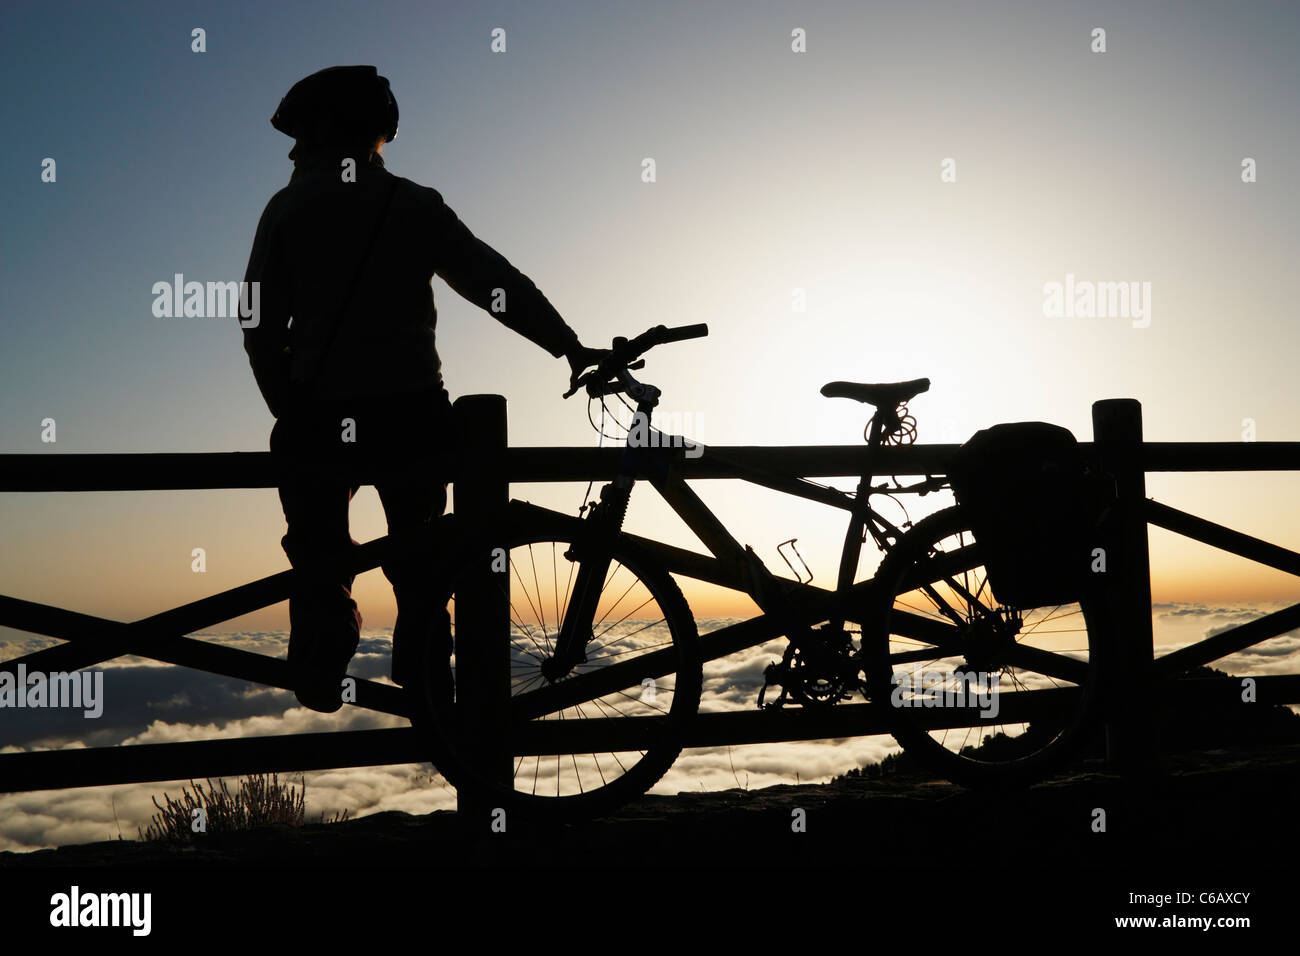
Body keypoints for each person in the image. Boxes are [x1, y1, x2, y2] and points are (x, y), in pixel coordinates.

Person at [241, 65, 604, 713]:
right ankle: (430, 677)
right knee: (423, 560)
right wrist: (567, 345)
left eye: (299, 135)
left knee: (319, 550)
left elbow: (258, 330)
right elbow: (494, 284)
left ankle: (328, 636)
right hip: (414, 414)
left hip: (318, 416)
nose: (292, 150)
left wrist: (291, 413)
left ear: (327, 130)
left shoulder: (289, 208)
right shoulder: (415, 206)